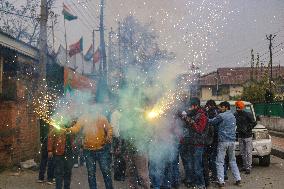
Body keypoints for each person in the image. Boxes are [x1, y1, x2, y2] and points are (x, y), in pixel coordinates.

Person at [67, 111, 114, 189]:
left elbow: (109, 128)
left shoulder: (101, 117)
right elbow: (76, 127)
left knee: (106, 172)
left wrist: (109, 135)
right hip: (88, 151)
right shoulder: (83, 117)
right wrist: (69, 130)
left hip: (102, 149)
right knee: (91, 174)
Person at [209, 101, 241, 188]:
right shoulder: (233, 116)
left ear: (226, 107)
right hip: (232, 142)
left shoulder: (221, 116)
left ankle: (221, 181)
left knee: (219, 161)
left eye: (221, 107)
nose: (219, 109)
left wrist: (204, 118)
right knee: (232, 160)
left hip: (223, 141)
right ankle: (238, 179)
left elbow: (211, 122)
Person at [181, 97, 208, 189]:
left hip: (198, 144)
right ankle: (194, 182)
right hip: (192, 143)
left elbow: (199, 129)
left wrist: (190, 121)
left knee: (197, 166)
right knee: (192, 164)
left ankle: (201, 184)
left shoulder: (202, 116)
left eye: (191, 106)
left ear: (196, 106)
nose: (189, 108)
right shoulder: (194, 114)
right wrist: (185, 118)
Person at [48, 121, 76, 189]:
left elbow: (74, 140)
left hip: (69, 154)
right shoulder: (57, 128)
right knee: (59, 173)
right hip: (59, 154)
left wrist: (74, 147)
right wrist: (50, 150)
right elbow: (50, 138)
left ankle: (67, 187)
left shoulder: (72, 129)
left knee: (68, 173)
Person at [234, 101, 257, 174]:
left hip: (247, 136)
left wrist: (247, 129)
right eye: (237, 107)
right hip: (241, 135)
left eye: (239, 107)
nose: (237, 109)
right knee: (243, 152)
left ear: (242, 107)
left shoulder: (248, 114)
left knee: (248, 152)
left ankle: (248, 167)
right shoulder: (235, 114)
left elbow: (254, 123)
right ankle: (245, 166)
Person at [37, 119, 55, 184]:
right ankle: (50, 179)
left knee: (43, 160)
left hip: (45, 141)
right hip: (50, 141)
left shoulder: (43, 119)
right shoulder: (52, 121)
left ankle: (41, 178)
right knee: (51, 161)